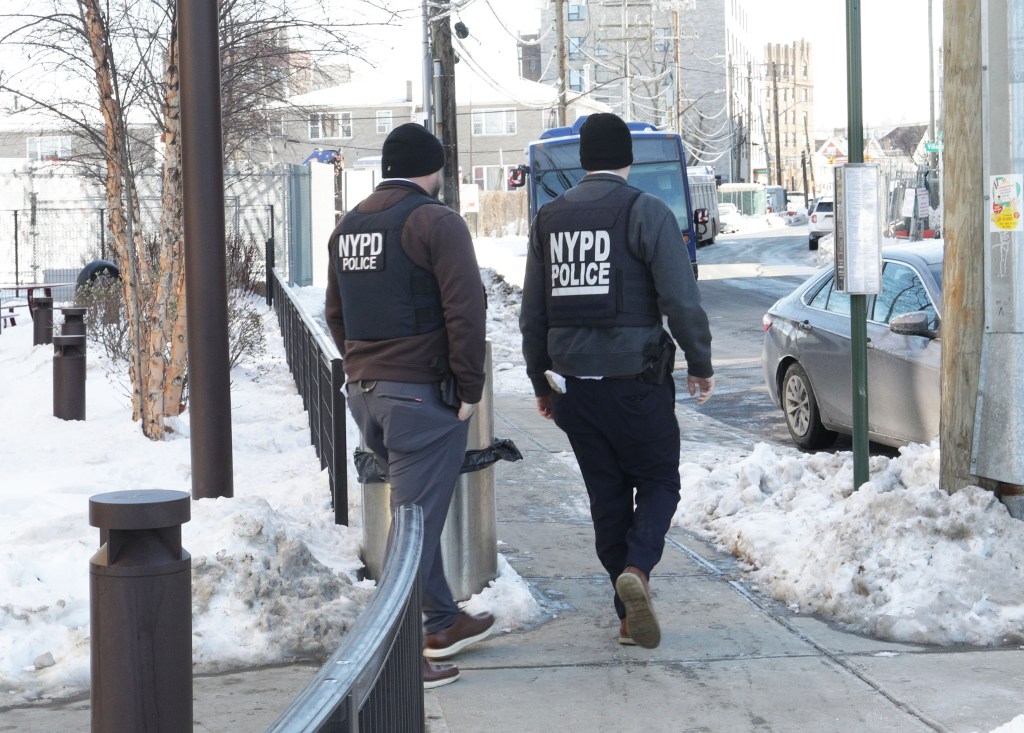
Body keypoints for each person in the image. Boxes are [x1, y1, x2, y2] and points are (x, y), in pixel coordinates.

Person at [519, 113, 715, 649]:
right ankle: (640, 570)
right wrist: (700, 362)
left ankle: (627, 617)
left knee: (607, 498)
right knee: (658, 482)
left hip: (575, 389)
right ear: (627, 158)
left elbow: (532, 313)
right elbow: (680, 297)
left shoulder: (548, 219)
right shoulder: (645, 212)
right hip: (638, 385)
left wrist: (540, 380)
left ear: (583, 159)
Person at [325, 122, 495, 689]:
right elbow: (465, 312)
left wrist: (359, 367)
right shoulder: (436, 222)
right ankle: (402, 658)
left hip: (367, 392)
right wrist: (469, 390)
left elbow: (335, 313)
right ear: (435, 169)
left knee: (413, 514)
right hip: (422, 395)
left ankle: (443, 621)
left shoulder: (348, 227)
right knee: (415, 526)